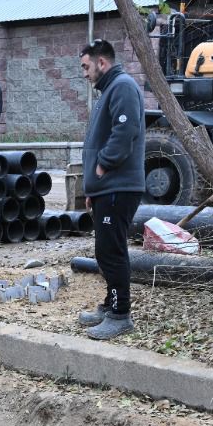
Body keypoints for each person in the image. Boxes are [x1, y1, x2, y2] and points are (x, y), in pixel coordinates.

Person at [75, 40, 146, 340]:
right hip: (106, 188)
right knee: (105, 251)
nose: (84, 73)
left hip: (119, 186)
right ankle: (109, 306)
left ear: (101, 63)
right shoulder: (110, 90)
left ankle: (120, 315)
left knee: (112, 251)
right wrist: (93, 187)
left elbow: (125, 131)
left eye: (86, 67)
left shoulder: (123, 87)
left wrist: (102, 166)